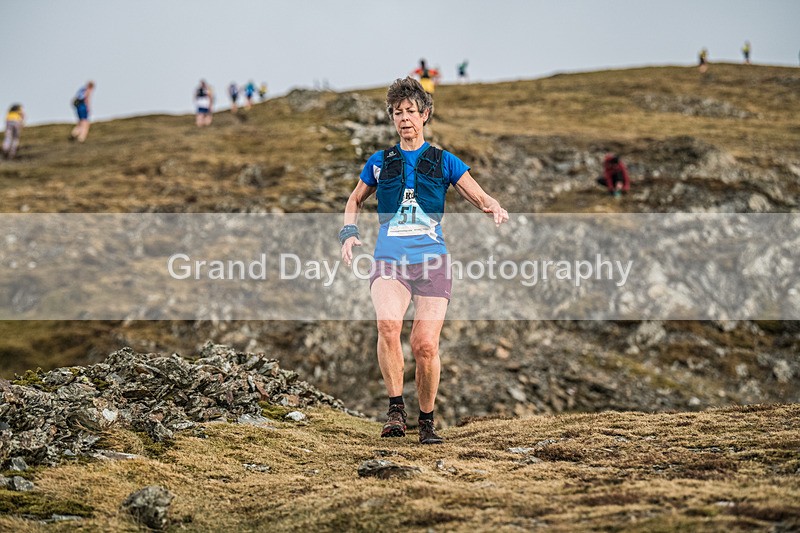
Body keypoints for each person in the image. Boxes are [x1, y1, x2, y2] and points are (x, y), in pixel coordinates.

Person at [340, 77, 508, 444]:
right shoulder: (380, 162)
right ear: (392, 118)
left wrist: (492, 205)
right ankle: (396, 410)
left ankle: (427, 421)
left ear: (424, 115)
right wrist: (348, 232)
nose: (404, 118)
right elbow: (355, 199)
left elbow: (478, 195)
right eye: (397, 113)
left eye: (410, 112)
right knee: (388, 325)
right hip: (389, 260)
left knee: (425, 345)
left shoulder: (444, 161)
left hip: (432, 263)